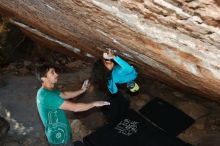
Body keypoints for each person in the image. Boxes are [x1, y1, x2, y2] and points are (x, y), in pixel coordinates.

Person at [35, 64, 110, 146]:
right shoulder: (47, 96)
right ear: (44, 78)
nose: (57, 74)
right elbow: (75, 108)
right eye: (52, 73)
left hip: (60, 131)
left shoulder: (46, 91)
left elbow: (64, 94)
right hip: (60, 138)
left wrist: (82, 90)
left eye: (55, 72)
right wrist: (94, 103)